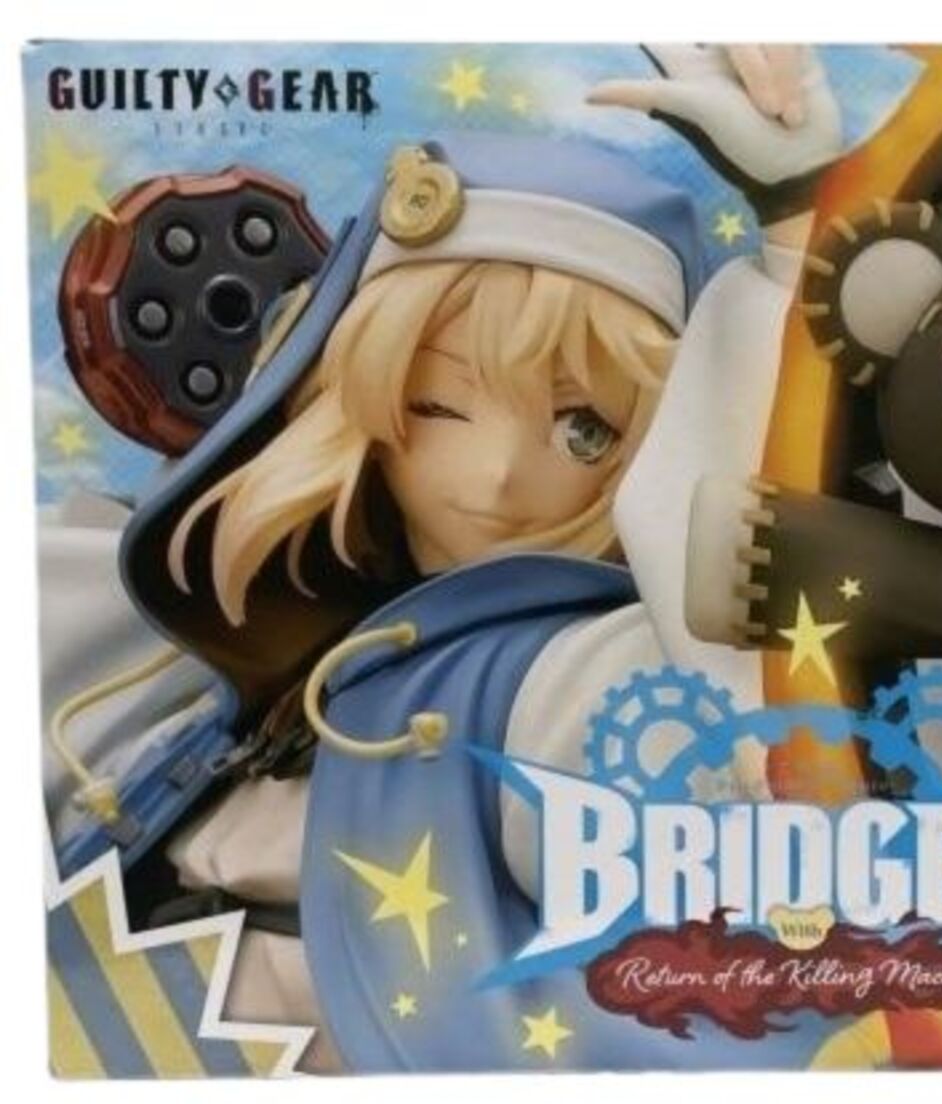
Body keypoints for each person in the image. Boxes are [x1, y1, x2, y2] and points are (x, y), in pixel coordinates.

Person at [43, 45, 848, 1071]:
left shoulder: (566, 677)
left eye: (586, 429)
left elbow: (759, 725)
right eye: (434, 404)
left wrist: (804, 246)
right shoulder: (195, 614)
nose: (498, 477)